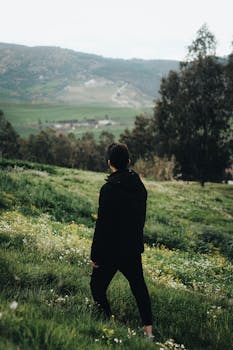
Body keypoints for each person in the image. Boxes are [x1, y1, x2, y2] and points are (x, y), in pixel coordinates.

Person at [90, 142, 154, 339]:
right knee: (139, 288)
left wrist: (95, 255)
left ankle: (109, 320)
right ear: (128, 161)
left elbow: (102, 226)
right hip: (132, 249)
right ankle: (148, 331)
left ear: (110, 163)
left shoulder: (108, 190)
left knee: (97, 287)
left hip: (110, 251)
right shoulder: (139, 188)